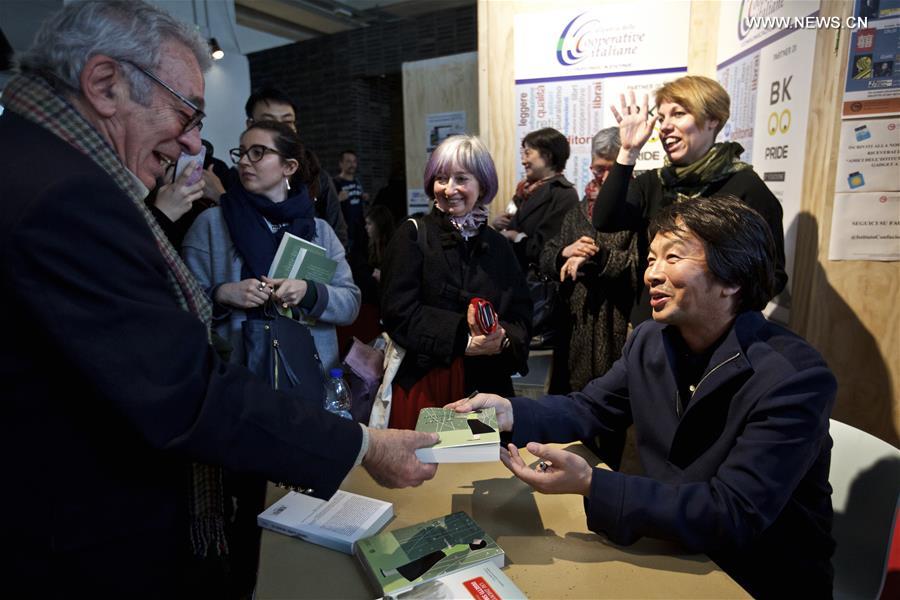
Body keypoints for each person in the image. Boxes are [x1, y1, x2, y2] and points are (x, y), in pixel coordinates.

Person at [0, 2, 436, 595]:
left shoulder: (32, 163)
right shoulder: (67, 197)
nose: (191, 145)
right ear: (104, 85)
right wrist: (363, 444)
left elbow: (345, 297)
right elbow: (181, 393)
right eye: (186, 115)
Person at [451, 195, 836, 598]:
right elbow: (591, 407)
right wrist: (507, 410)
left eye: (673, 258)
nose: (652, 274)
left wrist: (590, 483)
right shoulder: (652, 340)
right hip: (672, 542)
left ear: (733, 279)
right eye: (651, 259)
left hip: (757, 574)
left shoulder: (794, 378)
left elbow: (733, 512)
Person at [593, 75, 787, 324]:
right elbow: (604, 220)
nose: (664, 126)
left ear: (712, 119)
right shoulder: (652, 183)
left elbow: (772, 276)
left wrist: (715, 309)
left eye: (678, 114)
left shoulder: (746, 187)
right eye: (661, 118)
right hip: (655, 331)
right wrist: (628, 151)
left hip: (716, 337)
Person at [182, 120, 360, 373]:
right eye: (241, 152)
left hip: (310, 378)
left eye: (257, 152)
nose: (244, 161)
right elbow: (179, 304)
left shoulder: (319, 231)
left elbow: (350, 304)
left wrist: (308, 292)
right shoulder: (211, 225)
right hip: (236, 378)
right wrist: (222, 294)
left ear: (289, 166)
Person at [380, 135, 532, 430]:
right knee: (427, 471)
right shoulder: (412, 235)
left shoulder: (499, 246)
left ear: (482, 184)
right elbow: (397, 313)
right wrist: (464, 340)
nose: (449, 190)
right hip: (427, 385)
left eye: (461, 178)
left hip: (488, 389)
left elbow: (522, 311)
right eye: (440, 178)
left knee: (483, 472)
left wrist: (501, 338)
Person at [538, 127, 639, 397]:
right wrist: (565, 253)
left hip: (616, 328)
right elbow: (546, 255)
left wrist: (595, 258)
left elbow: (639, 267)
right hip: (574, 330)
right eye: (596, 169)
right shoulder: (577, 211)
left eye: (609, 169)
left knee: (613, 407)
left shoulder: (637, 212)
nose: (602, 177)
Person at [493, 127, 579, 271]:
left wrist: (515, 237)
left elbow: (547, 248)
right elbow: (511, 220)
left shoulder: (564, 194)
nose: (523, 161)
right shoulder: (524, 190)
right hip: (511, 273)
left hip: (535, 281)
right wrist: (497, 225)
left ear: (547, 156)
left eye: (528, 154)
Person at [334, 149, 370, 253]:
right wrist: (338, 199)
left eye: (354, 161)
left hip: (360, 229)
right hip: (345, 231)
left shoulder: (357, 181)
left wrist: (365, 199)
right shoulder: (335, 182)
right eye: (348, 161)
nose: (352, 164)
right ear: (341, 164)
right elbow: (328, 206)